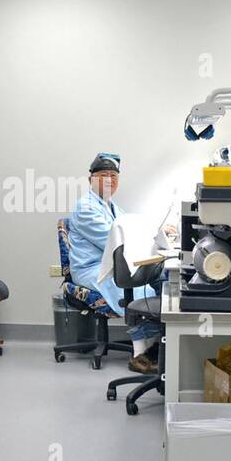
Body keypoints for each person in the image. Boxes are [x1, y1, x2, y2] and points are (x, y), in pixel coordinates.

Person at [65, 153, 162, 374]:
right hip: (91, 269)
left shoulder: (111, 206)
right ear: (91, 179)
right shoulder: (85, 207)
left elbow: (131, 228)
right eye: (103, 175)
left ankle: (156, 345)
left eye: (113, 176)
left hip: (110, 265)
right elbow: (113, 240)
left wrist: (159, 232)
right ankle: (140, 353)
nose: (109, 180)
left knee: (159, 278)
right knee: (138, 286)